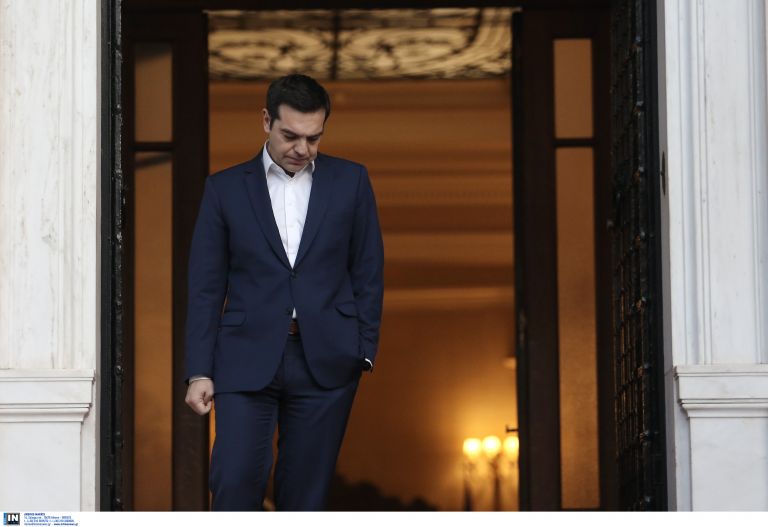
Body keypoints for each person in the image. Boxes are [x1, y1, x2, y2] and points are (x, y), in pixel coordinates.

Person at [183, 74, 384, 511]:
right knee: (234, 481)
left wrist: (363, 350)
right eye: (290, 135)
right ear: (266, 121)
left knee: (304, 497)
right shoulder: (224, 189)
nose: (302, 148)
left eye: (314, 138)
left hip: (327, 361)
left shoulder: (351, 181)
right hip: (244, 356)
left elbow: (367, 269)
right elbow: (205, 286)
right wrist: (199, 370)